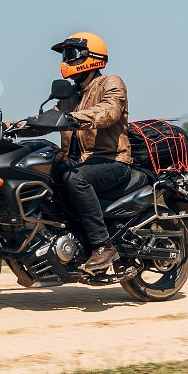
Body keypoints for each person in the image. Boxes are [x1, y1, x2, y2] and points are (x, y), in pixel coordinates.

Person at [50, 31, 132, 271]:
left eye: (71, 54)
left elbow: (109, 112)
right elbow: (46, 119)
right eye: (65, 55)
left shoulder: (111, 83)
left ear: (91, 56)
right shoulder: (70, 96)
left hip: (113, 161)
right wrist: (8, 127)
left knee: (76, 179)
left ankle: (103, 245)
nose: (66, 61)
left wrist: (72, 118)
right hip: (77, 162)